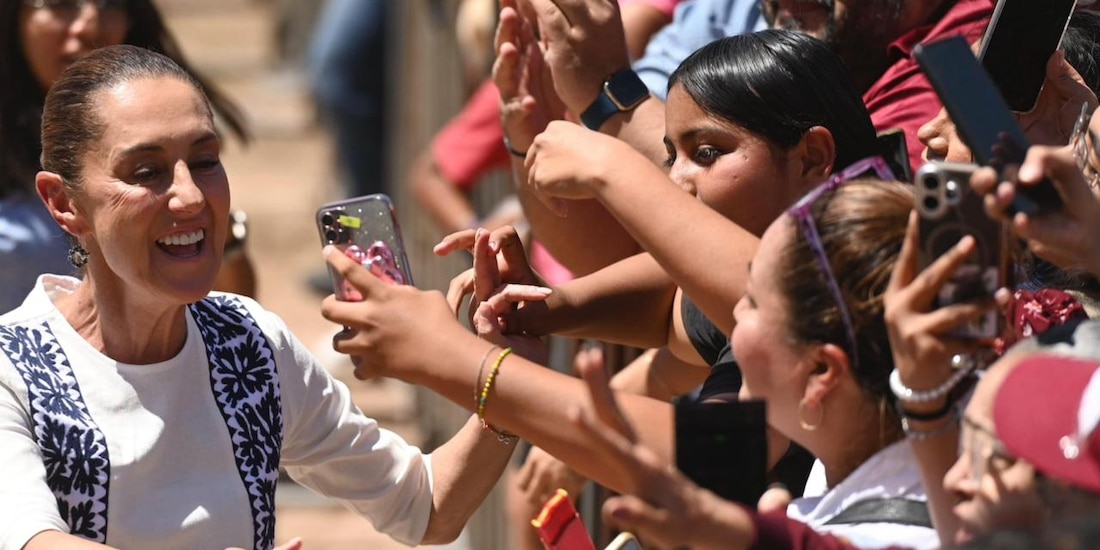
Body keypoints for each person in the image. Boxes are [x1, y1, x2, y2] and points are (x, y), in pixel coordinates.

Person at [0, 45, 513, 549]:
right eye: (146, 173)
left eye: (204, 161)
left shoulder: (248, 344)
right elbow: (28, 539)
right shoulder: (13, 368)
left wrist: (508, 372)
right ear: (64, 203)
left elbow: (423, 507)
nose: (191, 197)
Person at [324, 173, 950, 547]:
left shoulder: (889, 530)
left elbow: (706, 447)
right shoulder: (851, 466)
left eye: (750, 303)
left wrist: (454, 358)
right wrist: (546, 311)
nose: (677, 179)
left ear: (821, 373)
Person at [0, 0, 256, 312]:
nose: (90, 25)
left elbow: (231, 311)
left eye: (111, 3)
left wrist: (217, 237)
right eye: (60, 3)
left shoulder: (169, 130)